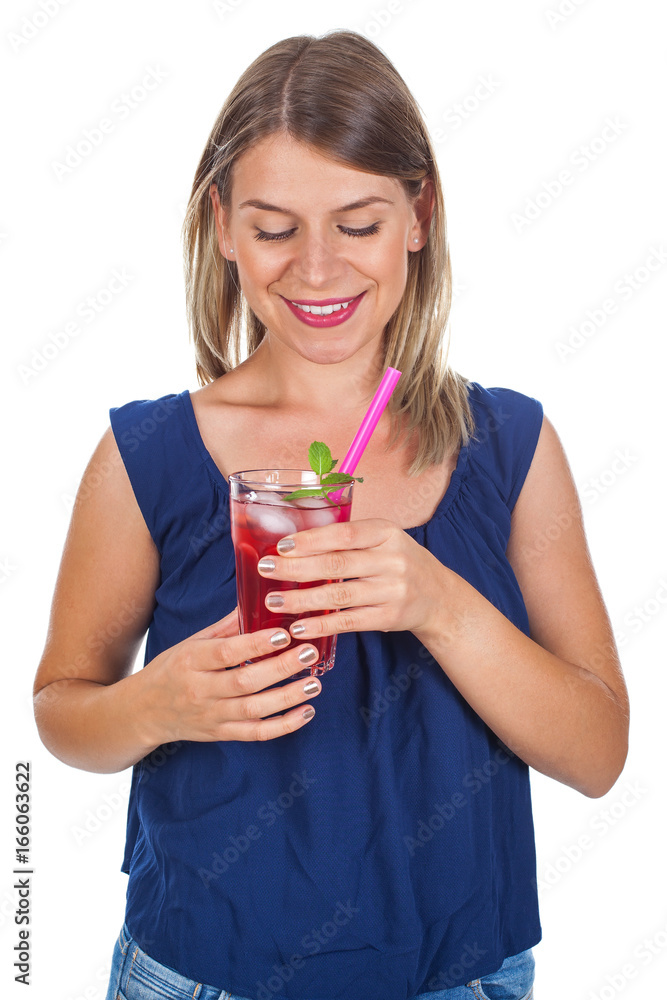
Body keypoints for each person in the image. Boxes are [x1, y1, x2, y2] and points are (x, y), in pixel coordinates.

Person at [33, 29, 629, 1000]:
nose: (316, 270)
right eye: (274, 228)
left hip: (457, 976)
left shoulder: (511, 447)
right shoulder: (145, 458)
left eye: (357, 224)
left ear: (418, 217)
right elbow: (62, 707)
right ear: (221, 223)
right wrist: (157, 703)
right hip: (204, 971)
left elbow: (598, 754)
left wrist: (439, 601)